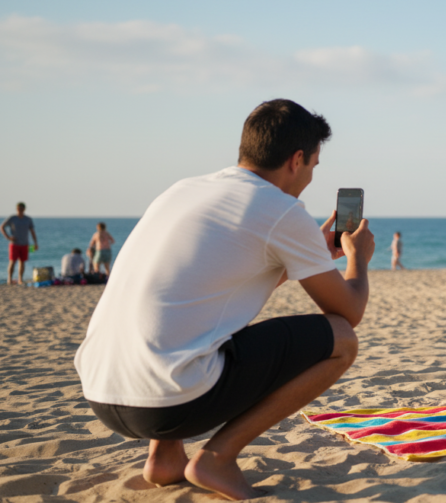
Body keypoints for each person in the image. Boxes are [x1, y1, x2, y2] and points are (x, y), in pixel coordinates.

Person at [74, 99, 375, 501]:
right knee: (341, 340)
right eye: (313, 167)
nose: (308, 179)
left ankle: (164, 459)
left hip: (101, 392)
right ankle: (217, 457)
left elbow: (223, 280)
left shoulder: (184, 189)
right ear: (297, 159)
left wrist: (311, 254)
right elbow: (348, 312)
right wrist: (359, 259)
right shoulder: (282, 210)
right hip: (166, 404)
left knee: (189, 325)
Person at [3, 202, 38, 285]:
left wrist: (35, 243)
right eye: (18, 208)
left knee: (22, 262)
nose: (20, 210)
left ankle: (20, 279)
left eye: (21, 208)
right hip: (14, 243)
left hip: (25, 243)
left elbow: (32, 231)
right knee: (12, 261)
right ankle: (9, 279)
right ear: (16, 209)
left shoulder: (28, 219)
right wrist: (7, 237)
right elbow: (2, 226)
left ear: (24, 209)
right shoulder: (12, 218)